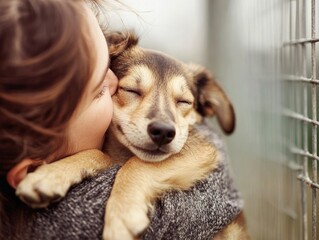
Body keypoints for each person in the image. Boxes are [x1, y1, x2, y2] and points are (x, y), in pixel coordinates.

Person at [0, 0, 244, 239]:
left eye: (182, 101)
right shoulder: (67, 224)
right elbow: (207, 154)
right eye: (99, 91)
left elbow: (202, 152)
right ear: (31, 167)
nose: (113, 82)